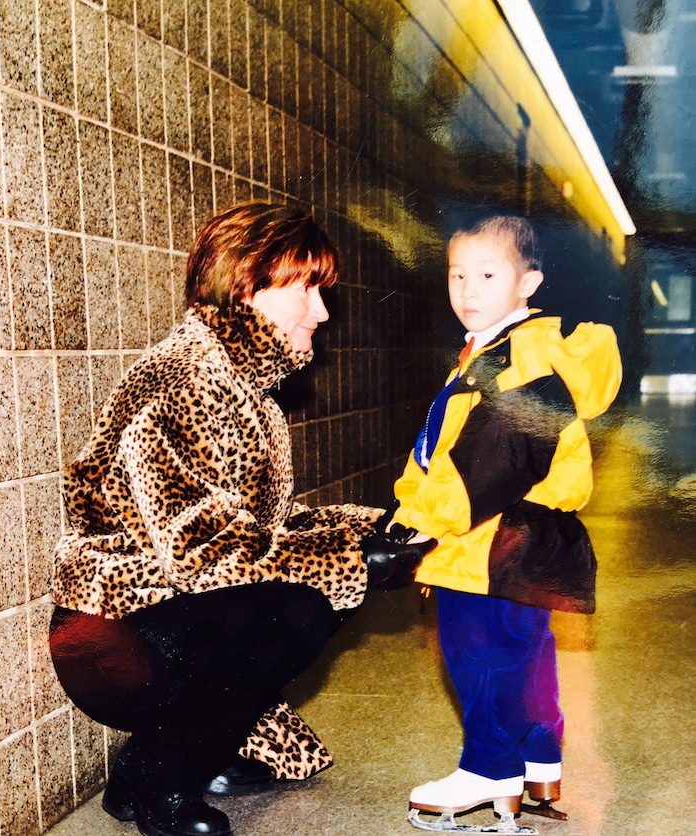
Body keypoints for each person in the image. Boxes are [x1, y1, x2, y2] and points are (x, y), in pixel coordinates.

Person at [48, 202, 414, 836]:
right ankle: (157, 781)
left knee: (311, 595)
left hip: (157, 619)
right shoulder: (186, 380)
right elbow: (205, 551)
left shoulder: (249, 393)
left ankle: (161, 764)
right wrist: (353, 562)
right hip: (109, 634)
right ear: (249, 286)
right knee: (299, 609)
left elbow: (269, 526)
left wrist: (371, 528)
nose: (322, 313)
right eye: (307, 289)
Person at [375, 210, 622, 829]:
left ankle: (490, 769)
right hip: (518, 537)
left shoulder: (524, 354)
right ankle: (537, 762)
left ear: (528, 282)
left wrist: (423, 522)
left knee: (480, 654)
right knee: (526, 653)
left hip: (491, 537)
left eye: (488, 273)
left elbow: (498, 452)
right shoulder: (494, 349)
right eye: (458, 275)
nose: (468, 290)